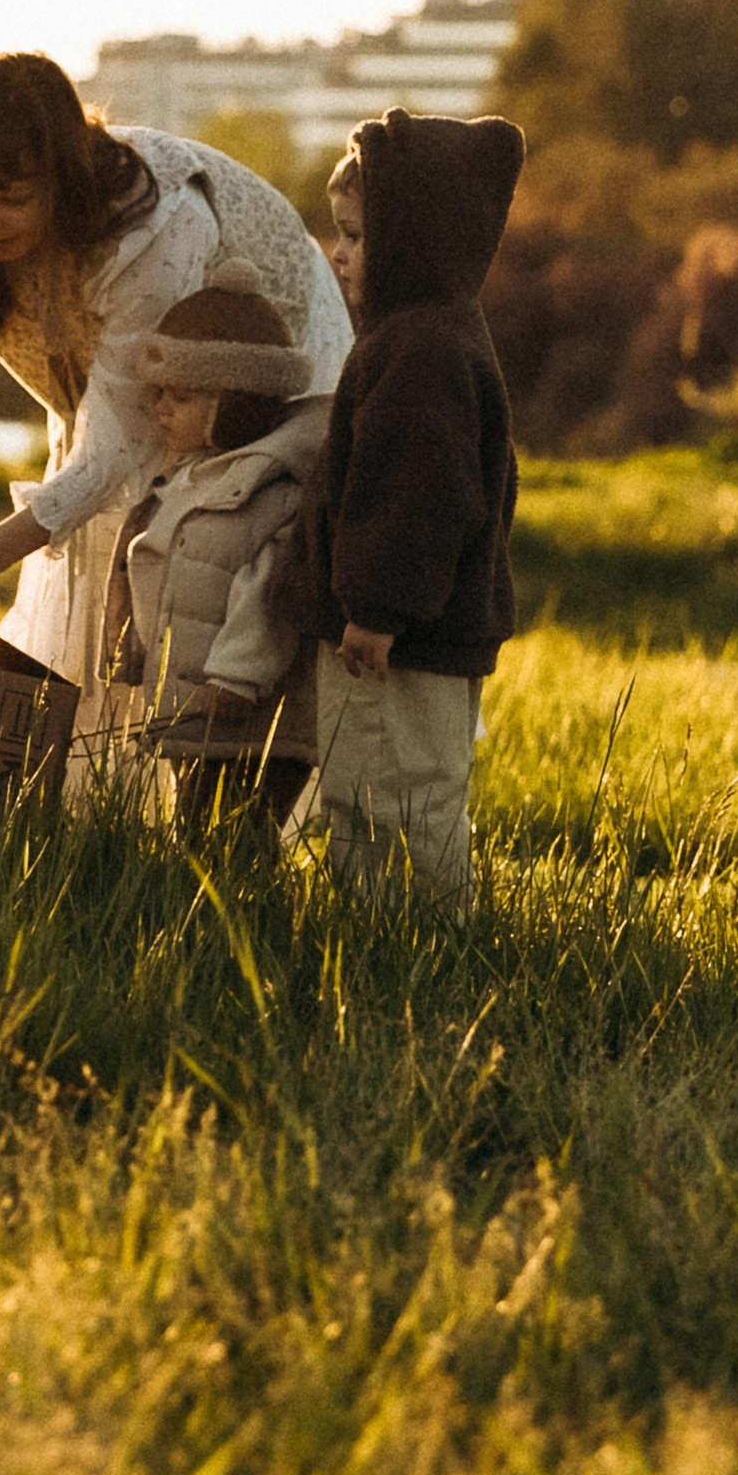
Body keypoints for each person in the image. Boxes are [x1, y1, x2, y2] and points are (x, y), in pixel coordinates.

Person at [0, 53, 348, 721]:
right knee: (77, 602)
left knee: (195, 581)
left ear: (63, 181)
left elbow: (123, 434)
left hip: (259, 391)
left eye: (12, 198)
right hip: (118, 409)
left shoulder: (155, 227)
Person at [287, 104, 524, 896]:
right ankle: (375, 928)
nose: (339, 253)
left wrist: (377, 608)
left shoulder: (422, 349)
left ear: (416, 238)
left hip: (403, 637)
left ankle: (417, 939)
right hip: (399, 632)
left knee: (400, 797)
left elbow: (417, 495)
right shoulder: (415, 334)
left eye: (356, 236)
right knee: (363, 792)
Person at [96, 269, 333, 833]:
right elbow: (157, 569)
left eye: (181, 396)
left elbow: (274, 585)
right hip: (195, 708)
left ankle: (252, 920)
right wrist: (132, 650)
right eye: (158, 394)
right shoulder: (191, 477)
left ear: (239, 403)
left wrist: (237, 677)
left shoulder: (276, 487)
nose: (162, 410)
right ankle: (209, 920)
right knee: (200, 828)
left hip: (251, 716)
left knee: (236, 833)